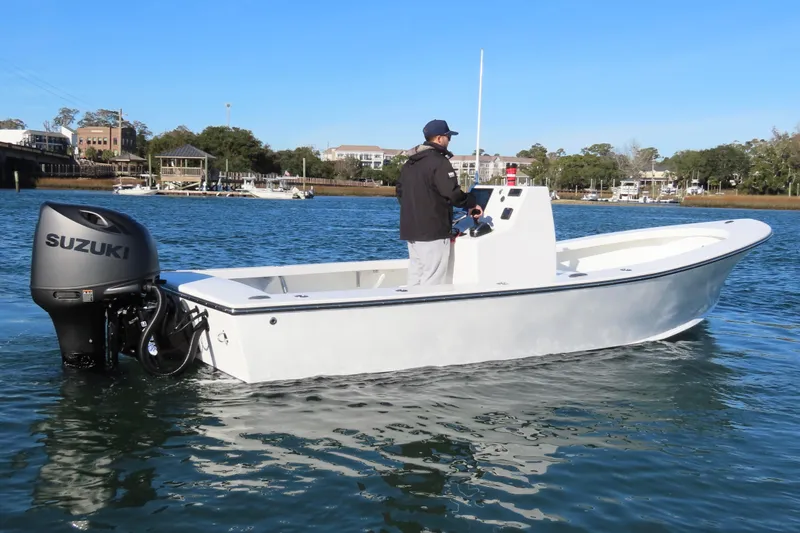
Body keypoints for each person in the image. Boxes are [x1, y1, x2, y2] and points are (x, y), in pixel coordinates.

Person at [396, 119, 483, 286]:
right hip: (433, 231)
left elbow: (400, 192)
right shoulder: (439, 162)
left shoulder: (410, 164)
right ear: (438, 138)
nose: (449, 140)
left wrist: (415, 210)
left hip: (411, 229)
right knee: (433, 277)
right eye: (448, 137)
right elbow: (452, 193)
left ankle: (412, 301)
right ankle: (427, 304)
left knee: (416, 273)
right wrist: (472, 204)